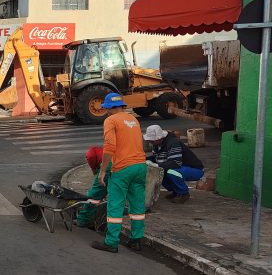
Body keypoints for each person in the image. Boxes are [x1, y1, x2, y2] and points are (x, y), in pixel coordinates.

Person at [93, 92, 147, 253]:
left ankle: (111, 242)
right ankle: (136, 240)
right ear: (122, 106)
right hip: (140, 166)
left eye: (106, 108)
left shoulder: (111, 120)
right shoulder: (133, 119)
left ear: (109, 108)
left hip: (122, 168)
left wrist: (102, 171)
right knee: (137, 205)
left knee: (115, 205)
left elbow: (109, 146)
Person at [143, 125, 204, 203]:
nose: (150, 142)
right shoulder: (157, 145)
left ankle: (183, 193)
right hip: (180, 167)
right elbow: (156, 158)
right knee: (159, 172)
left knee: (171, 172)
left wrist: (156, 165)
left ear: (158, 138)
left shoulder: (173, 143)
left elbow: (175, 163)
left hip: (194, 170)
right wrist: (144, 159)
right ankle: (176, 191)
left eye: (152, 140)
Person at [76, 146, 111, 230]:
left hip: (108, 165)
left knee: (94, 196)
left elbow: (92, 163)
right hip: (123, 165)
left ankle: (83, 220)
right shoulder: (100, 150)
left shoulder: (91, 154)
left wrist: (97, 172)